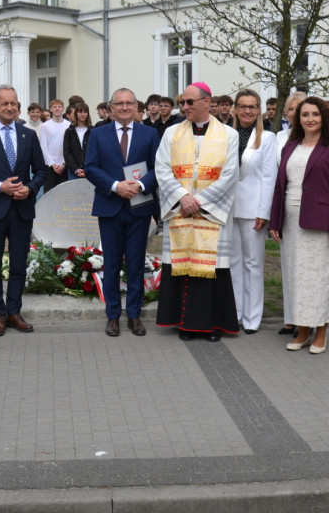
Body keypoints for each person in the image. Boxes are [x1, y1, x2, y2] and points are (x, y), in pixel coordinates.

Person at [155, 81, 240, 342]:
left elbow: (229, 174)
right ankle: (185, 325)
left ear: (207, 102)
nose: (184, 106)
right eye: (182, 102)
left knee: (211, 269)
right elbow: (162, 168)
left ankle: (212, 325)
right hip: (181, 211)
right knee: (182, 267)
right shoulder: (171, 133)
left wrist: (199, 202)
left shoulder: (228, 134)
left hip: (210, 214)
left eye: (190, 102)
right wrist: (183, 198)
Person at [0, 85, 48, 336]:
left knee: (18, 265)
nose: (10, 107)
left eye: (14, 103)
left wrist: (31, 189)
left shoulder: (28, 135)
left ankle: (14, 311)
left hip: (22, 210)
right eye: (5, 103)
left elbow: (42, 171)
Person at [268, 96, 329, 354]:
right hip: (290, 221)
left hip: (320, 223)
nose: (310, 119)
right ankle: (302, 331)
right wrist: (275, 220)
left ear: (324, 117)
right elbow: (281, 186)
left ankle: (321, 331)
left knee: (318, 278)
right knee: (295, 276)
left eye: (315, 114)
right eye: (305, 115)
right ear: (297, 119)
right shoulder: (290, 146)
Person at [84, 88, 160, 337]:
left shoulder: (149, 134)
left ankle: (135, 315)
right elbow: (91, 167)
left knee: (136, 264)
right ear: (111, 107)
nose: (125, 107)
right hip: (110, 206)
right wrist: (116, 186)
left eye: (130, 103)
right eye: (120, 103)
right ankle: (113, 316)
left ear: (137, 106)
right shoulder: (98, 134)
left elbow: (158, 168)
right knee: (112, 264)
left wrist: (139, 185)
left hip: (139, 207)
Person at [228, 89, 277, 334]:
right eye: (242, 105)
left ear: (258, 110)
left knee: (253, 263)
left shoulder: (267, 138)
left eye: (252, 106)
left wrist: (264, 210)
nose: (247, 110)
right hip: (228, 208)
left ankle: (252, 317)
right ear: (235, 108)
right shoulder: (227, 135)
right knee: (234, 262)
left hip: (253, 210)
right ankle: (236, 313)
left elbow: (269, 177)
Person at [274, 91, 307, 338]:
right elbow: (274, 176)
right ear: (286, 113)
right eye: (292, 109)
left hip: (310, 208)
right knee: (288, 264)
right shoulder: (279, 138)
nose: (296, 113)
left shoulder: (319, 138)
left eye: (301, 108)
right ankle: (290, 318)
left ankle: (308, 318)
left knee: (307, 266)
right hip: (286, 206)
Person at [38, 98, 68, 191]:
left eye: (59, 107)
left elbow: (69, 147)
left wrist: (63, 163)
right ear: (51, 109)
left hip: (64, 165)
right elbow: (43, 146)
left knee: (64, 194)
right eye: (55, 107)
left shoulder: (68, 125)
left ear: (63, 109)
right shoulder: (45, 126)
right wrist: (53, 164)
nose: (57, 109)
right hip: (50, 166)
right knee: (49, 193)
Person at [63, 101, 93, 180]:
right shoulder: (69, 131)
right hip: (74, 172)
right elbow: (67, 153)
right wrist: (75, 169)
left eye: (85, 112)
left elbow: (96, 151)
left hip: (91, 171)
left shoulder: (93, 131)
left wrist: (90, 167)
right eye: (80, 112)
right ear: (76, 113)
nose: (83, 114)